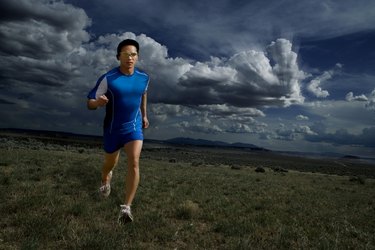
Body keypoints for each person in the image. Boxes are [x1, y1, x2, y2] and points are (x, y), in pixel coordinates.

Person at [87, 39, 149, 224]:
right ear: (118, 56)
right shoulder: (108, 78)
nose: (130, 58)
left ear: (137, 56)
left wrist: (144, 115)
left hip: (133, 127)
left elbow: (143, 94)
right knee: (109, 164)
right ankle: (106, 178)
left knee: (134, 161)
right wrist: (97, 103)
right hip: (113, 129)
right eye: (125, 54)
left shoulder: (144, 77)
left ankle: (126, 208)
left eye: (133, 54)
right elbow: (89, 103)